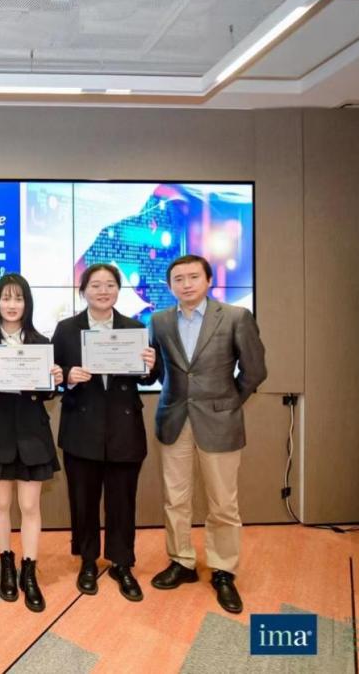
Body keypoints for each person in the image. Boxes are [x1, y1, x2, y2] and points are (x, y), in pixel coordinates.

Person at [148, 254, 267, 614]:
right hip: (174, 419)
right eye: (178, 279)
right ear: (170, 285)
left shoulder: (235, 317)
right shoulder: (159, 321)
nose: (186, 284)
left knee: (223, 504)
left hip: (220, 421)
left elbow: (254, 371)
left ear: (208, 280)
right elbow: (157, 371)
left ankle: (223, 570)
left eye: (193, 277)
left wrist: (228, 403)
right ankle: (181, 561)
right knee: (175, 499)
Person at [51, 263, 158, 602]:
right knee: (83, 501)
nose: (103, 291)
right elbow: (51, 374)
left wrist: (150, 365)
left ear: (118, 290)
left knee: (122, 501)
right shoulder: (67, 329)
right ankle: (87, 560)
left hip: (124, 428)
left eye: (110, 284)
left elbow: (150, 377)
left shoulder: (135, 328)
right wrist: (68, 376)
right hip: (82, 428)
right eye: (95, 285)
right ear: (83, 291)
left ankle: (121, 563)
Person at [0, 273, 64, 612]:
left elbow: (48, 393)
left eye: (18, 298)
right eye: (6, 298)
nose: (12, 305)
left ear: (27, 303)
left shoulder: (41, 342)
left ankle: (29, 570)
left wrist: (55, 380)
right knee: (1, 503)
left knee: (30, 506)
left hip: (32, 434)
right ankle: (6, 564)